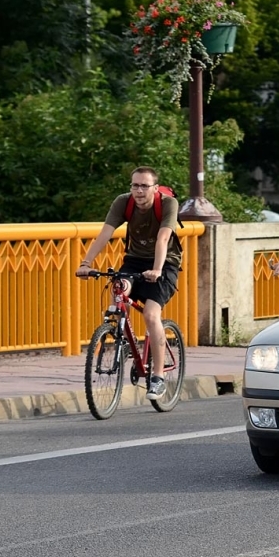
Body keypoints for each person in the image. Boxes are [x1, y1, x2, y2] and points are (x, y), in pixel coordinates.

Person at [75, 166, 182, 401]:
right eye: (135, 185)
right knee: (119, 292)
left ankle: (157, 377)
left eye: (144, 186)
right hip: (134, 261)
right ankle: (121, 338)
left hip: (165, 263)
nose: (139, 191)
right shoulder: (123, 202)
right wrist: (86, 263)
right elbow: (105, 233)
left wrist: (157, 269)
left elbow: (163, 237)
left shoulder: (168, 204)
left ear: (155, 188)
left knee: (151, 315)